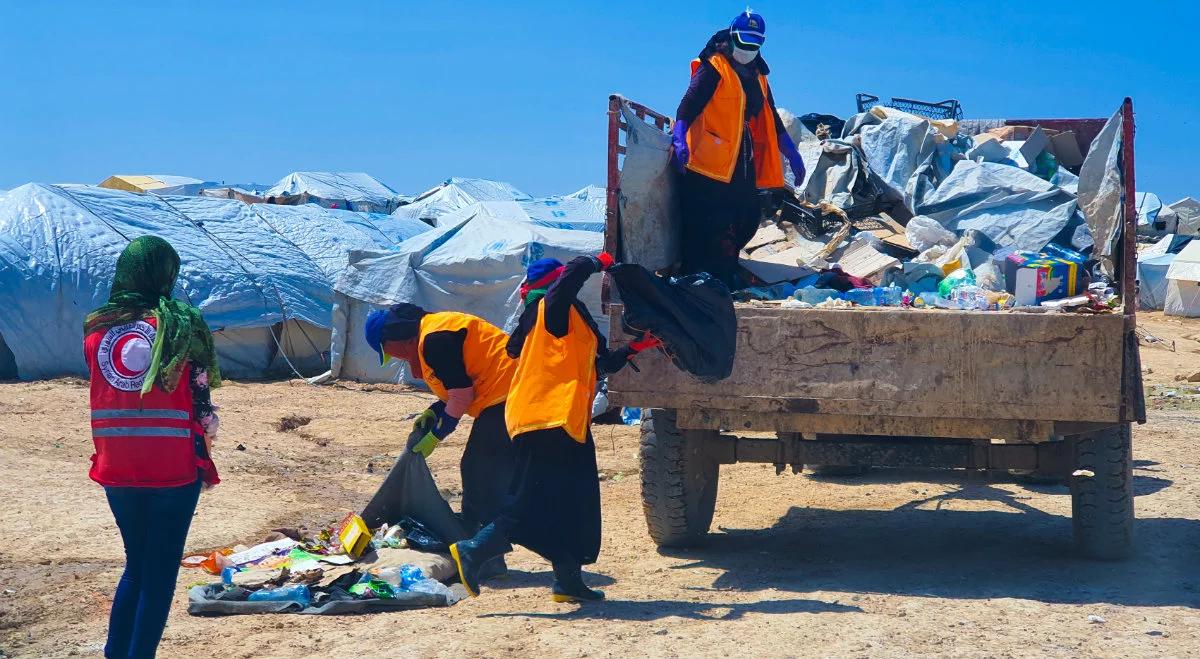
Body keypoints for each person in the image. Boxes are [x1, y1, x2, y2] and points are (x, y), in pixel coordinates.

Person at [449, 254, 661, 603]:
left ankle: (568, 579)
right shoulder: (552, 310)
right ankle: (473, 550)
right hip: (545, 418)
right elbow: (572, 275)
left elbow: (602, 364)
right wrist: (599, 260)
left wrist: (637, 347)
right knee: (532, 498)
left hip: (566, 420)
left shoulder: (565, 319)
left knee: (574, 500)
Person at [84, 235, 220, 659]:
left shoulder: (96, 328)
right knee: (160, 574)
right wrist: (210, 429)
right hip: (171, 468)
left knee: (136, 567)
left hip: (115, 467)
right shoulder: (179, 323)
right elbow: (200, 402)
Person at [671, 9, 806, 287]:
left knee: (746, 215)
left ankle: (722, 273)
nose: (747, 49)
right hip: (705, 163)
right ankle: (699, 278)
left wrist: (791, 153)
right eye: (743, 42)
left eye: (754, 44)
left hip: (738, 162)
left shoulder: (758, 75)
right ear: (732, 38)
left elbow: (771, 116)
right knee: (707, 222)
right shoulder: (714, 66)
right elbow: (688, 105)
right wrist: (678, 136)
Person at [363, 303, 519, 535]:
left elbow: (462, 394)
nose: (396, 358)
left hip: (510, 392)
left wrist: (437, 435)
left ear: (395, 338)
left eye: (389, 351)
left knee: (478, 467)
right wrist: (436, 410)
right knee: (483, 466)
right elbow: (457, 383)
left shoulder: (434, 341)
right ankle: (481, 527)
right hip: (503, 392)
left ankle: (477, 533)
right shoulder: (432, 331)